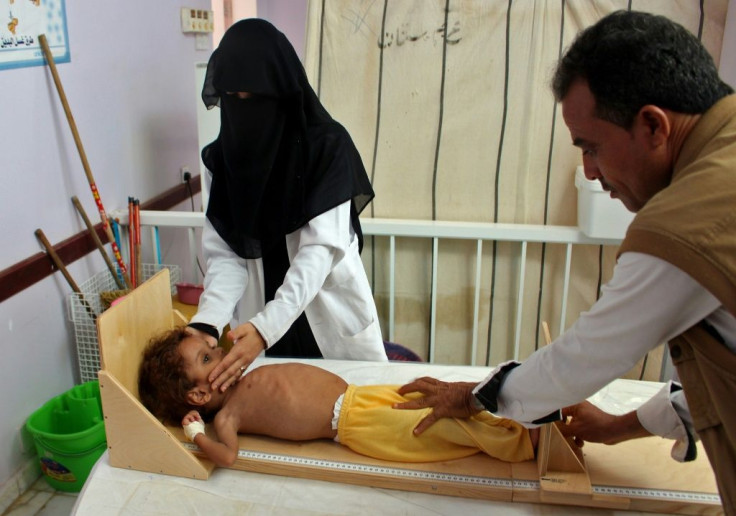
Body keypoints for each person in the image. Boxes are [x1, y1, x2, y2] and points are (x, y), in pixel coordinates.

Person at [393, 10, 736, 512]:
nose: (590, 172)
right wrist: (619, 427)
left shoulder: (689, 217)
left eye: (592, 148)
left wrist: (474, 396)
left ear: (653, 126)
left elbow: (579, 360)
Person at [186, 18, 387, 393]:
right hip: (260, 328)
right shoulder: (225, 159)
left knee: (350, 416)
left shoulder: (326, 147)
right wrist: (208, 321)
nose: (244, 111)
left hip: (321, 322)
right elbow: (227, 255)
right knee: (273, 421)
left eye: (255, 99)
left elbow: (319, 252)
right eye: (233, 99)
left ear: (281, 91)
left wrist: (267, 328)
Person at [137, 327, 535, 467]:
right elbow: (227, 456)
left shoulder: (246, 381)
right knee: (433, 429)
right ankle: (520, 440)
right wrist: (195, 435)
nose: (222, 352)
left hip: (359, 395)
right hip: (353, 423)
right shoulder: (227, 419)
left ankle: (514, 414)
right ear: (199, 393)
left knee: (436, 400)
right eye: (208, 358)